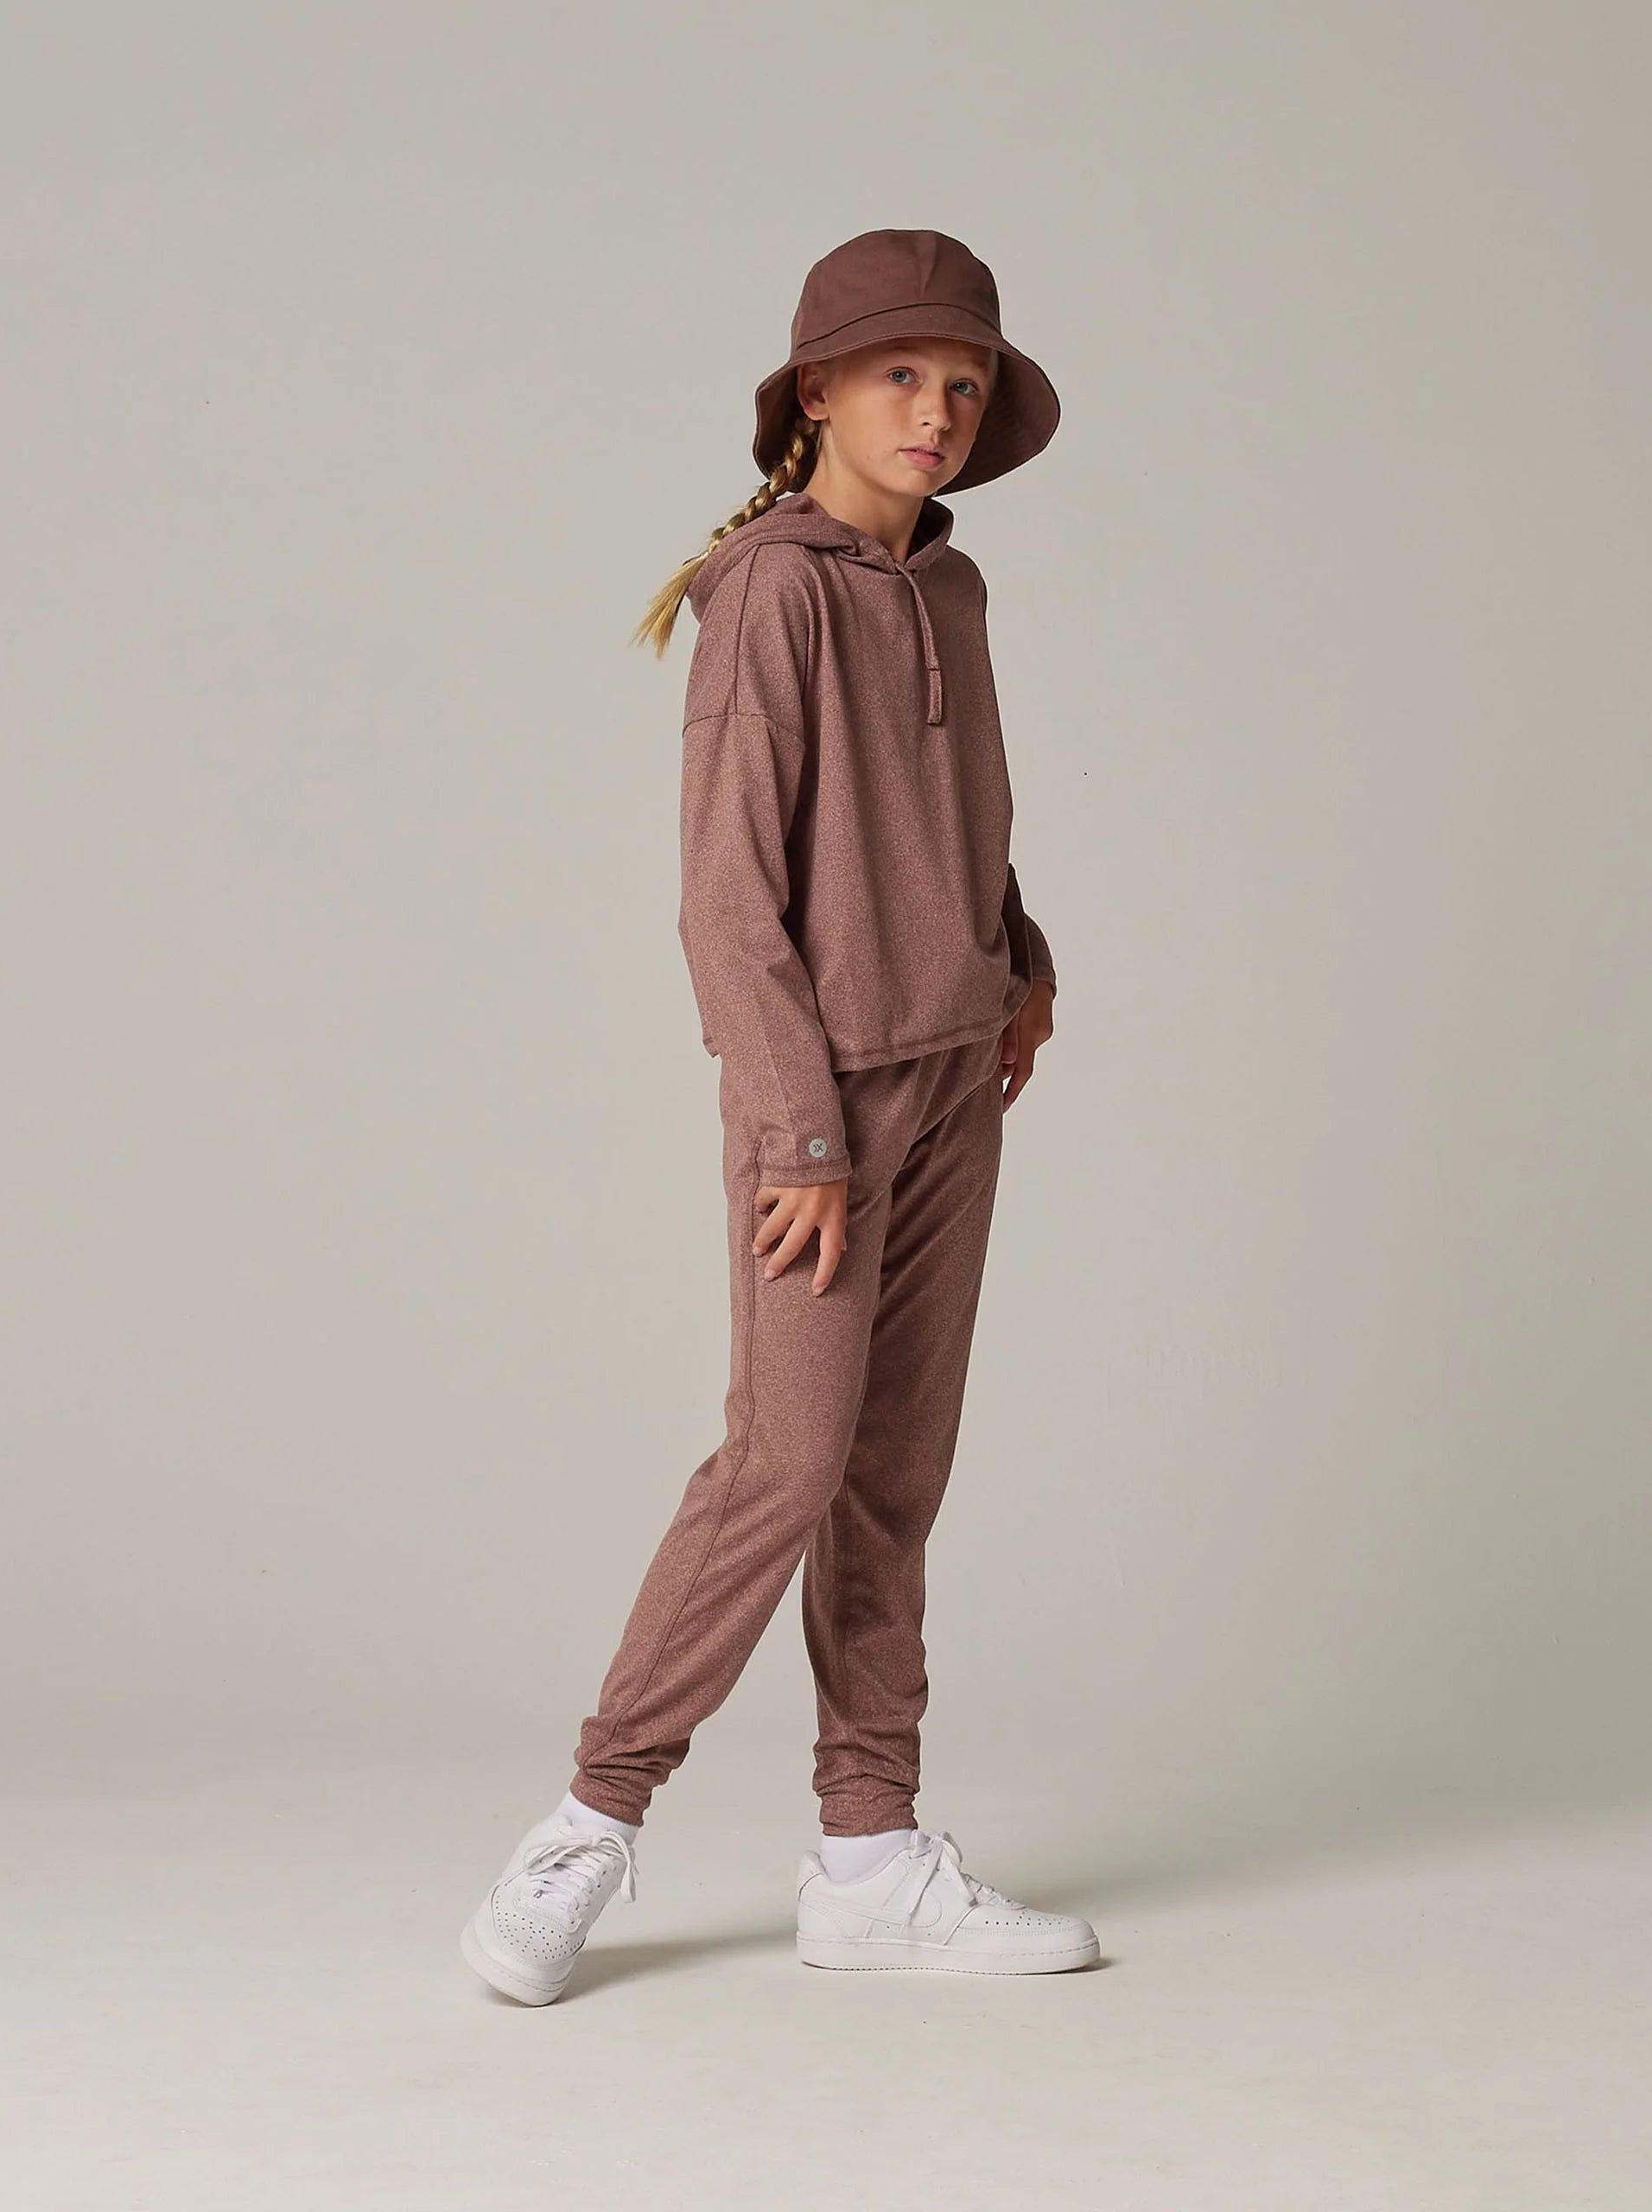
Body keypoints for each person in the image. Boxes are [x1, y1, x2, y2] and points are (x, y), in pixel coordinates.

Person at [461, 229, 1098, 2002]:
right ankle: (585, 1826)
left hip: (957, 1075)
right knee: (786, 1462)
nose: (936, 410)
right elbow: (729, 898)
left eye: (962, 383)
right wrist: (800, 1132)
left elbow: (962, 812)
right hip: (820, 1102)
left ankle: (871, 1857)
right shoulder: (770, 596)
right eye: (901, 375)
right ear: (815, 392)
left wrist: (1020, 956)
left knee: (894, 1474)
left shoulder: (951, 592)